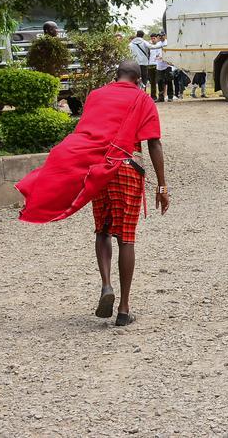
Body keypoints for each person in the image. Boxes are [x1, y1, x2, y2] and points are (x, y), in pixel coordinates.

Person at [15, 60, 170, 327]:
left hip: (99, 169)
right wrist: (162, 186)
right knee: (127, 238)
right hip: (127, 168)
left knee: (103, 230)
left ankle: (106, 285)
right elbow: (153, 142)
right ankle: (123, 309)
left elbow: (87, 133)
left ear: (116, 75)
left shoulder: (96, 96)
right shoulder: (143, 99)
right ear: (139, 79)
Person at [144, 32, 166, 100]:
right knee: (152, 82)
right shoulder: (149, 46)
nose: (153, 40)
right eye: (152, 39)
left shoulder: (159, 45)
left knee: (160, 81)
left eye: (154, 38)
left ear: (157, 38)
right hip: (150, 65)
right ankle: (153, 97)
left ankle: (161, 96)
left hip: (158, 65)